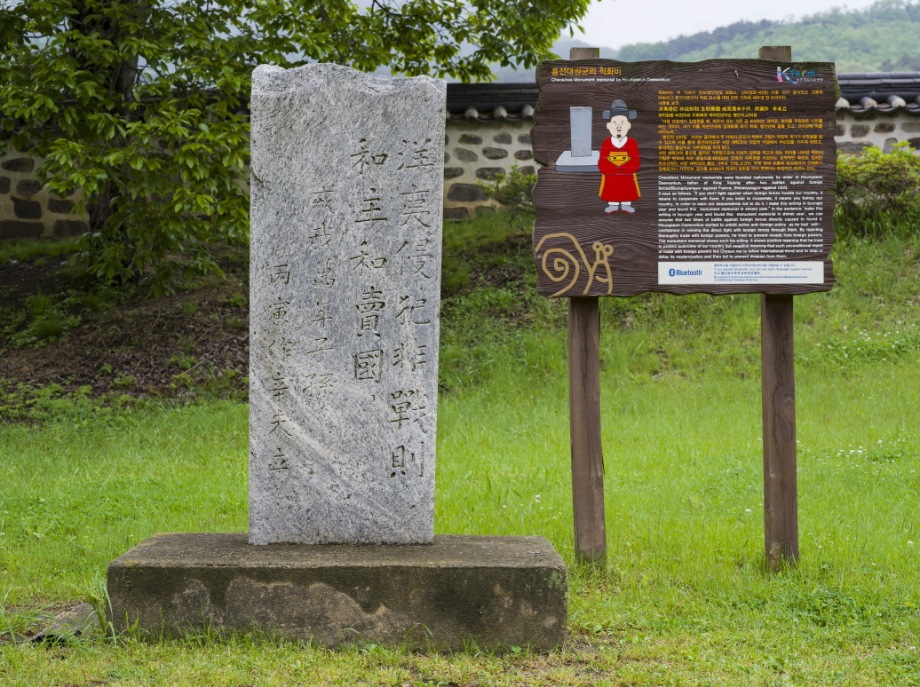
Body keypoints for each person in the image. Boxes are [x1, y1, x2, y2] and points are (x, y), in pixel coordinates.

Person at [598, 99, 640, 214]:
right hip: (611, 175)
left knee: (627, 188)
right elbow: (602, 161)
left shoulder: (632, 143)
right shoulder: (606, 143)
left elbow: (635, 160)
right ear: (608, 126)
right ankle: (613, 204)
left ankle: (626, 204)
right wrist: (612, 168)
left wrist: (624, 168)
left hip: (627, 175)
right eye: (615, 123)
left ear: (628, 125)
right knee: (612, 188)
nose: (618, 126)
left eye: (622, 123)